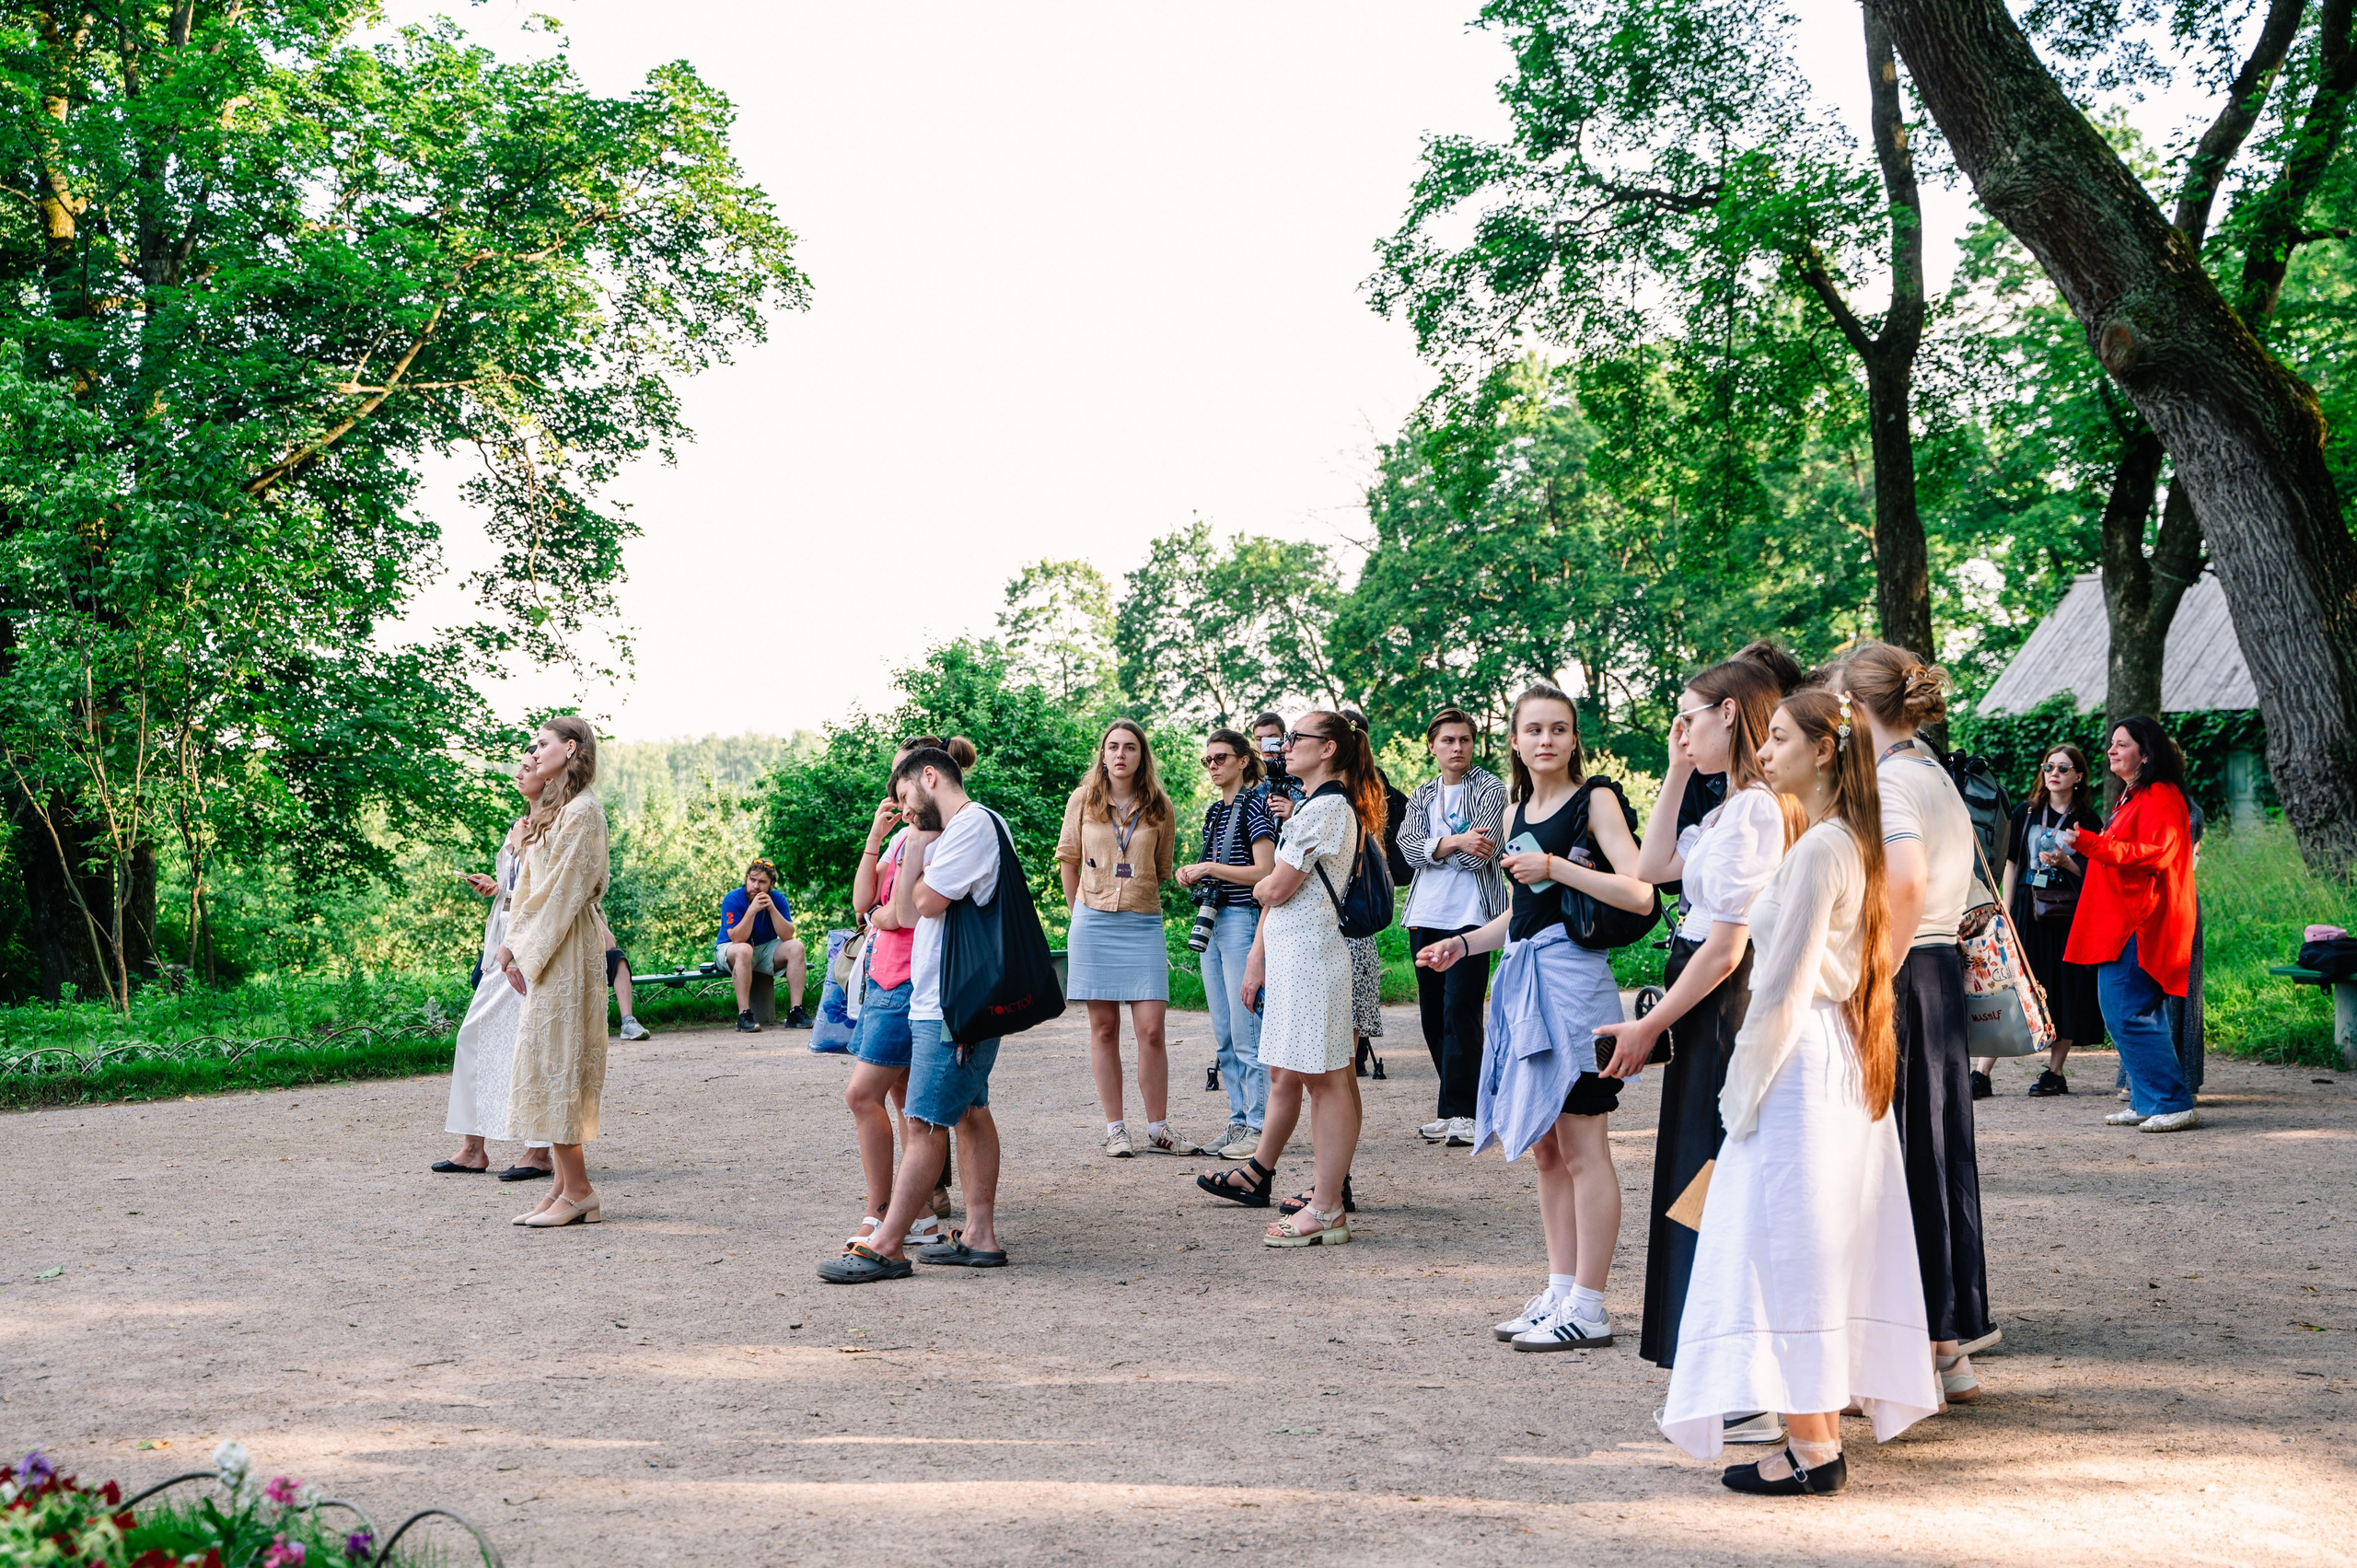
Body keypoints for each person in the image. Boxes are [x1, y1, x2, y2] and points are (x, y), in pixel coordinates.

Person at [1660, 688, 1940, 1495]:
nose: (1764, 750)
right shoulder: (1844, 839)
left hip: (1800, 1059)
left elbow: (1782, 985)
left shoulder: (1824, 848)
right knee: (1806, 1237)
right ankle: (1809, 1435)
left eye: (1779, 737)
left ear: (1823, 750)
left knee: (1790, 1240)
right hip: (1831, 1051)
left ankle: (1814, 1448)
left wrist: (1738, 1093)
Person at [1416, 685, 1653, 1350]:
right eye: (1534, 730)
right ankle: (1559, 1289)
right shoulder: (1517, 808)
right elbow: (1522, 917)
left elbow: (1639, 892)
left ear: (1574, 739)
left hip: (1575, 991)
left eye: (1559, 729)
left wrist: (1554, 866)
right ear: (1515, 742)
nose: (1546, 739)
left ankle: (1590, 1305)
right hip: (1524, 988)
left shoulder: (1594, 801)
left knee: (1582, 1146)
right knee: (1545, 1148)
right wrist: (1464, 944)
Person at [1593, 656, 1792, 1402]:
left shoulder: (1758, 810)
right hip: (1698, 991)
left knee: (1712, 1163)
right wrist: (1677, 771)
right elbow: (1651, 867)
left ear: (1729, 714)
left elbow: (1727, 947)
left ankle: (1728, 1347)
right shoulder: (1727, 807)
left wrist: (1650, 1023)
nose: (1681, 729)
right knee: (1695, 1162)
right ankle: (1706, 1338)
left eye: (1689, 717)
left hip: (1718, 1000)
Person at [1837, 641, 1991, 1407]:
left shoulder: (1895, 779)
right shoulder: (1931, 769)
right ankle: (1948, 1344)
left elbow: (1905, 879)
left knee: (1899, 1156)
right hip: (1941, 973)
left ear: (1855, 707)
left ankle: (1921, 1346)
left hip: (1906, 971)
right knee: (1938, 1152)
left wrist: (1876, 971)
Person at [819, 743, 1010, 1282]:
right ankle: (979, 1235)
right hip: (943, 996)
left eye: (905, 795)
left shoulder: (971, 825)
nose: (903, 808)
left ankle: (888, 1244)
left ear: (930, 777)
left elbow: (917, 905)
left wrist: (921, 847)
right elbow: (902, 905)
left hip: (952, 1001)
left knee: (923, 1121)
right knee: (970, 1111)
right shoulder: (961, 827)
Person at [1193, 712, 1385, 1248]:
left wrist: (1261, 888)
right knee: (1323, 1078)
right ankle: (1325, 1201)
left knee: (1325, 1082)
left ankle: (1326, 1208)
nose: (1287, 744)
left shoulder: (1324, 808)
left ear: (1328, 749)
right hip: (1299, 959)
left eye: (1298, 737)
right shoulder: (1317, 806)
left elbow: (1274, 888)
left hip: (1311, 960)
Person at [840, 737, 976, 1252]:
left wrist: (881, 915)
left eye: (903, 779)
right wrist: (875, 837)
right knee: (903, 1099)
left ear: (928, 776)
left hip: (908, 981)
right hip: (884, 977)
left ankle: (880, 1211)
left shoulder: (937, 836)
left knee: (863, 1095)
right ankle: (917, 1214)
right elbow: (862, 900)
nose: (896, 791)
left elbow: (901, 914)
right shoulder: (903, 838)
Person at [494, 715, 616, 1229]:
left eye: (541, 743)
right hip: (547, 943)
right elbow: (530, 886)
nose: (532, 751)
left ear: (570, 749)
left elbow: (563, 891)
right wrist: (510, 944)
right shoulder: (555, 809)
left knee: (562, 1061)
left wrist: (522, 947)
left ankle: (581, 1191)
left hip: (566, 946)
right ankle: (562, 1188)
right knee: (546, 1059)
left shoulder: (584, 811)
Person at [1057, 719, 1198, 1156]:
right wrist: (1080, 914)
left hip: (1141, 922)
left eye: (1130, 747)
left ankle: (1159, 1128)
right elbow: (1068, 860)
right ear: (1103, 754)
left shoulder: (1160, 806)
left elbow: (1160, 869)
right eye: (1113, 746)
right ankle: (1116, 1129)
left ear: (1142, 756)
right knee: (1104, 1029)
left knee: (1152, 1031)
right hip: (1092, 922)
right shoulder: (1083, 800)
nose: (1121, 754)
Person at [2057, 716, 2200, 1133]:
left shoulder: (2160, 794)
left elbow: (2155, 853)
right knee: (2134, 1012)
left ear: (2147, 753)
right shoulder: (2135, 795)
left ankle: (2172, 1102)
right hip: (2123, 920)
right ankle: (2148, 1099)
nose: (2112, 750)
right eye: (2112, 743)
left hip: (2140, 921)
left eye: (2122, 744)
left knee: (2127, 1013)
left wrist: (2091, 843)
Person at [437, 765, 556, 1181]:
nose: (520, 774)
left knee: (530, 1043)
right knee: (476, 1036)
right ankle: (473, 1148)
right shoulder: (518, 825)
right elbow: (515, 888)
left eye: (530, 767)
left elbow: (548, 891)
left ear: (550, 776)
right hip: (500, 942)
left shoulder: (558, 824)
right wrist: (496, 885)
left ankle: (539, 1151)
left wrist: (524, 847)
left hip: (531, 943)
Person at [1398, 707, 1508, 1146]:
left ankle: (1468, 1111)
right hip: (1425, 914)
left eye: (1464, 739)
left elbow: (1478, 856)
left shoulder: (1491, 788)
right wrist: (1457, 840)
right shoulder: (1422, 794)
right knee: (1431, 1015)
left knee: (1460, 1011)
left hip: (1472, 918)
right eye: (1448, 740)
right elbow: (1407, 851)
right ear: (1432, 746)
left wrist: (1439, 848)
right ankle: (1454, 1107)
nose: (1457, 747)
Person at [1175, 728, 1277, 1157]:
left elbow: (1265, 871)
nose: (1213, 766)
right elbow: (1215, 867)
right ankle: (1237, 1121)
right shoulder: (1215, 811)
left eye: (1221, 758)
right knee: (1224, 1034)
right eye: (1208, 760)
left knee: (1247, 1029)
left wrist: (1209, 868)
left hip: (1241, 920)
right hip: (1214, 922)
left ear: (1242, 760)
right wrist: (1192, 873)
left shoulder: (1255, 804)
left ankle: (1259, 1126)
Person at [1985, 745, 2104, 1097]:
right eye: (2049, 766)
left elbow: (2096, 874)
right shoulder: (2026, 812)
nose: (2054, 773)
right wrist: (2005, 909)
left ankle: (2055, 1072)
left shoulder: (2089, 820)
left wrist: (2066, 863)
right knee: (2014, 984)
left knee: (2065, 985)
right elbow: (2012, 862)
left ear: (2078, 776)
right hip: (2026, 906)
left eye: (2063, 768)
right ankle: (1982, 1072)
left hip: (2067, 912)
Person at [717, 861, 809, 1032]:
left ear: (771, 884)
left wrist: (772, 909)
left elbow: (787, 936)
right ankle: (743, 1015)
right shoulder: (732, 898)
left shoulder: (778, 899)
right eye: (752, 880)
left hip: (764, 950)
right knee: (745, 949)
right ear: (746, 878)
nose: (755, 886)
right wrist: (752, 910)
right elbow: (737, 938)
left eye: (762, 882)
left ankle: (795, 1011)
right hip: (731, 949)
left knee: (797, 947)